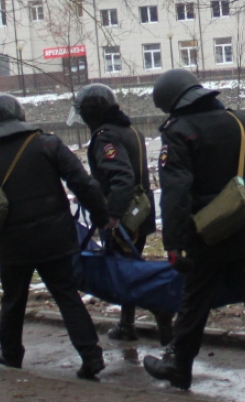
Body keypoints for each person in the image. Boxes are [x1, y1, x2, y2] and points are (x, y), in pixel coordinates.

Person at [141, 69, 245, 395]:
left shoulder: (178, 131)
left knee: (195, 297)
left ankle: (179, 365)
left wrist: (175, 243)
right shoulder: (237, 120)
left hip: (207, 231)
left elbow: (176, 193)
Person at [0, 94, 110, 380]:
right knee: (66, 295)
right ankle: (90, 354)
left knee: (13, 299)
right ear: (20, 115)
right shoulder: (48, 143)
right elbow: (83, 184)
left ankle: (11, 353)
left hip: (13, 243)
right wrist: (101, 216)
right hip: (55, 237)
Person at [73, 83, 172, 345]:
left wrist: (112, 215)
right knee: (128, 269)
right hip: (140, 213)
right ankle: (127, 324)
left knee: (123, 273)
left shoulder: (105, 136)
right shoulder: (129, 130)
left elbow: (122, 178)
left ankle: (159, 308)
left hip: (123, 218)